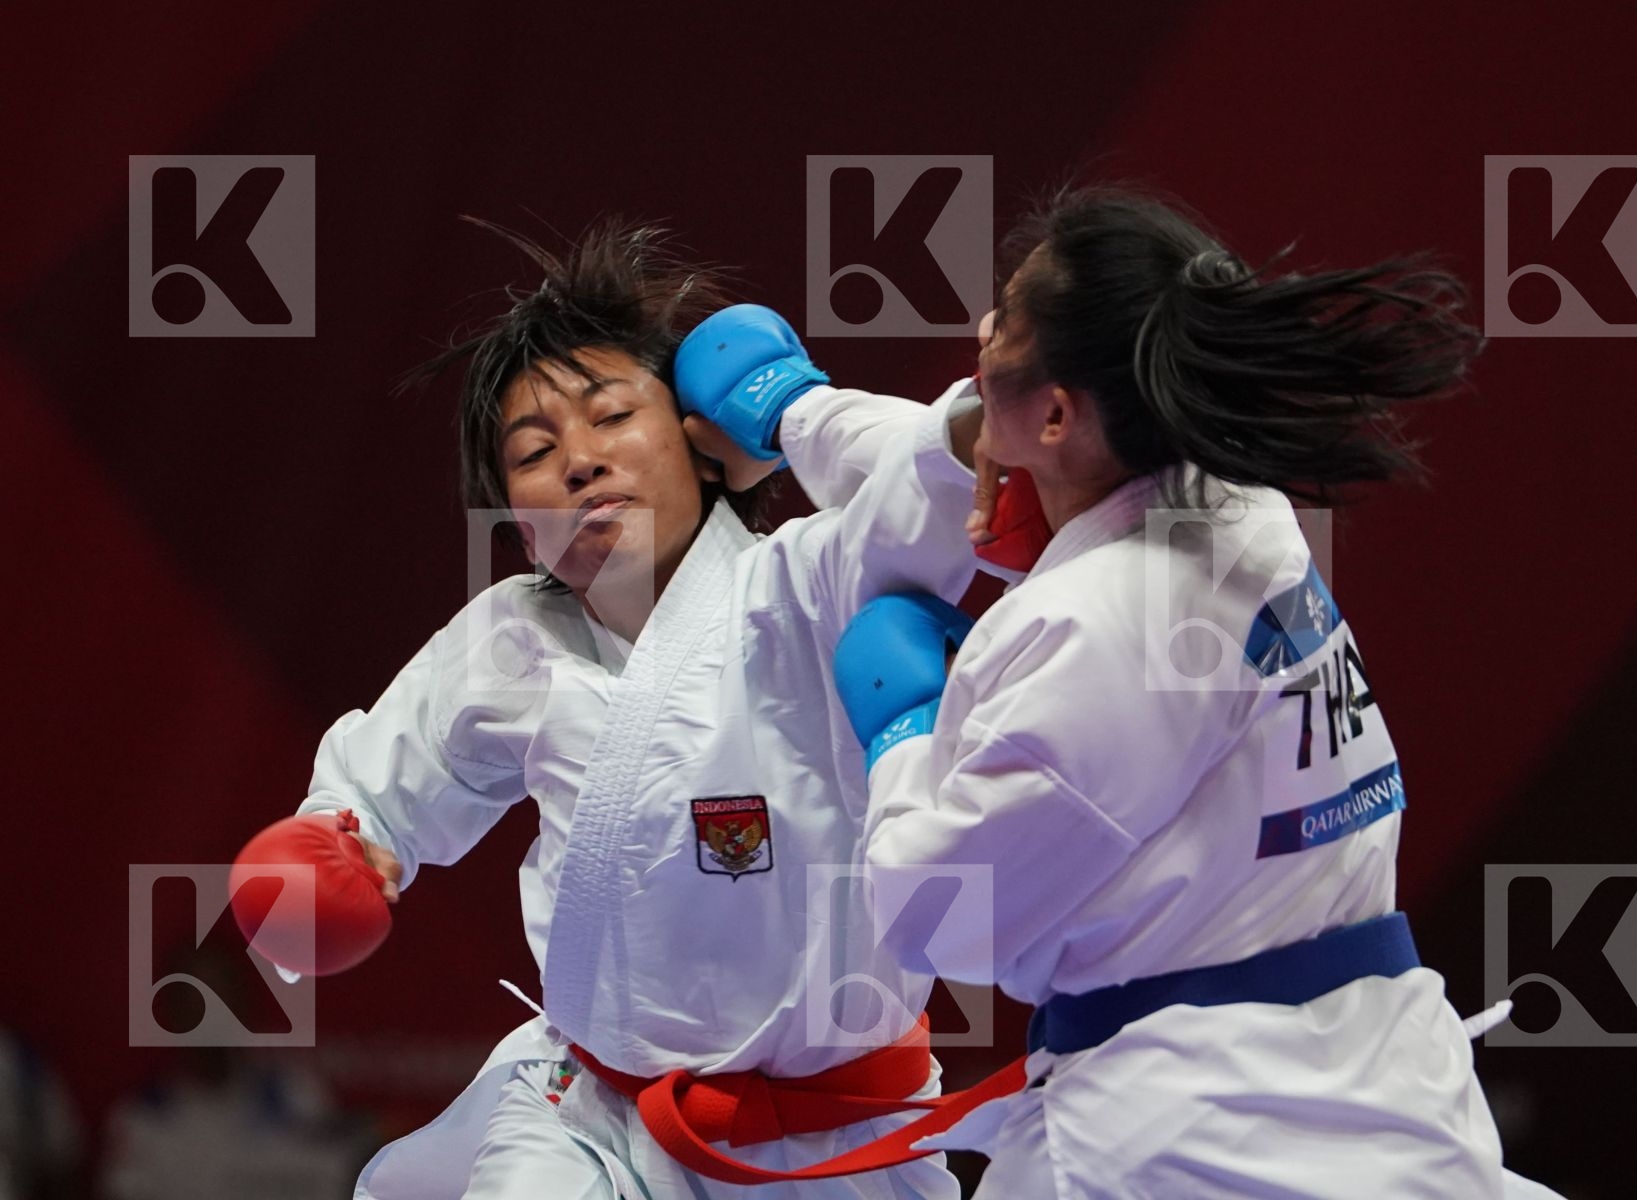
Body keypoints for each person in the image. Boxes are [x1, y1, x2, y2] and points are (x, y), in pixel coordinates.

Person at [760, 184, 1560, 1197]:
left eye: (1003, 318)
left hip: (1202, 1136)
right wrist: (797, 410)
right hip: (1362, 1073)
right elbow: (963, 436)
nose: (981, 330)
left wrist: (906, 732)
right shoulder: (1239, 503)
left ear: (1056, 412)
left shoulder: (1093, 627)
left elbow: (944, 913)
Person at [259, 216, 994, 1199]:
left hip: (842, 1136)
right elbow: (375, 798)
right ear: (519, 524)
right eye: (534, 450)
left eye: (611, 418)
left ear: (701, 446)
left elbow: (955, 485)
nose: (579, 461)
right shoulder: (511, 640)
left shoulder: (814, 584)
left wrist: (795, 411)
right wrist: (336, 855)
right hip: (592, 1119)